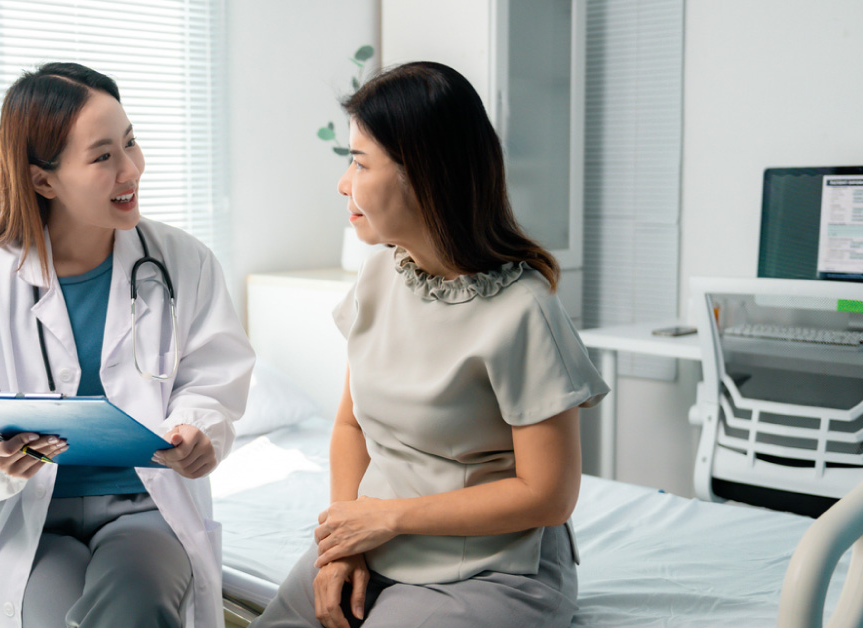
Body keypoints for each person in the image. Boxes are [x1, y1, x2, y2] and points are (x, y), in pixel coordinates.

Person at [252, 61, 609, 628]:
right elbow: (349, 427)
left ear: (420, 176)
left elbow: (549, 495)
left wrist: (387, 520)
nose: (343, 183)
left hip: (492, 566)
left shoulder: (524, 311)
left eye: (359, 162)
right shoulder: (379, 279)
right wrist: (345, 543)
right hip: (378, 542)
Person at [0, 62, 254, 628]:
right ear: (44, 180)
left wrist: (200, 429)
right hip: (28, 515)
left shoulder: (183, 262)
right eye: (103, 157)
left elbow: (213, 379)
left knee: (136, 608)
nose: (131, 169)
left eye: (130, 143)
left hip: (143, 505)